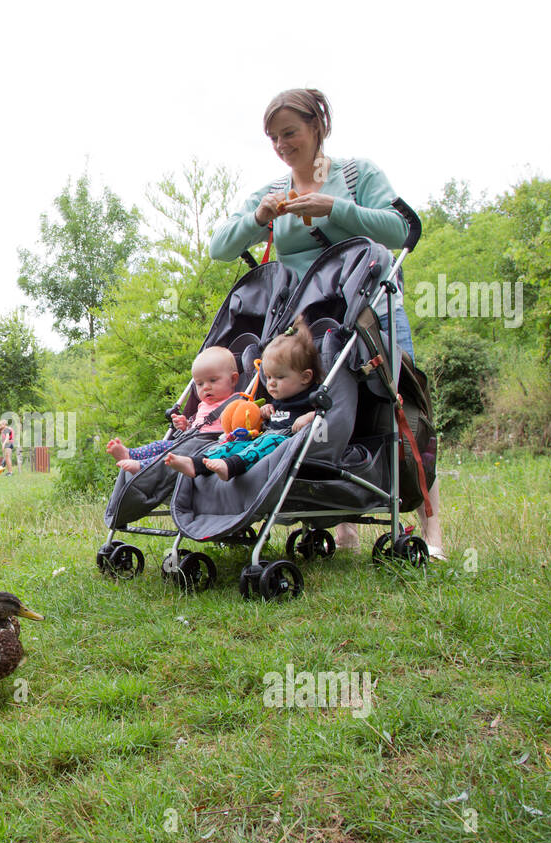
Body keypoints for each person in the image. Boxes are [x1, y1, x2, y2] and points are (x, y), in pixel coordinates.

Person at [208, 88, 446, 559]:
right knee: (317, 412)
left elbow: (400, 230)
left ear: (318, 126)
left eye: (290, 132)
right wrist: (258, 217)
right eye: (273, 137)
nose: (281, 144)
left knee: (397, 413)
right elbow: (219, 246)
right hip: (307, 327)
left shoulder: (357, 176)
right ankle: (340, 528)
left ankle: (432, 533)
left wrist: (333, 209)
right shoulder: (272, 192)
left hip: (369, 312)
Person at [164, 317, 321, 480]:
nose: (271, 384)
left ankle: (230, 467)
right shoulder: (282, 398)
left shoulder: (313, 397)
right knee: (232, 445)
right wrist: (265, 411)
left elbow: (328, 416)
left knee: (264, 444)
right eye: (268, 377)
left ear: (305, 377)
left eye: (279, 377)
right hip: (264, 437)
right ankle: (196, 464)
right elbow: (274, 416)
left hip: (287, 443)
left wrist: (311, 416)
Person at [106, 346, 239, 474]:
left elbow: (237, 428)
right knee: (160, 445)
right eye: (200, 384)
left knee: (172, 455)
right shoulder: (203, 405)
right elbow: (198, 426)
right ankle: (131, 454)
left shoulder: (237, 402)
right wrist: (185, 426)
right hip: (190, 439)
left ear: (233, 380)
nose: (206, 387)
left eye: (213, 380)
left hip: (207, 445)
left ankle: (143, 467)